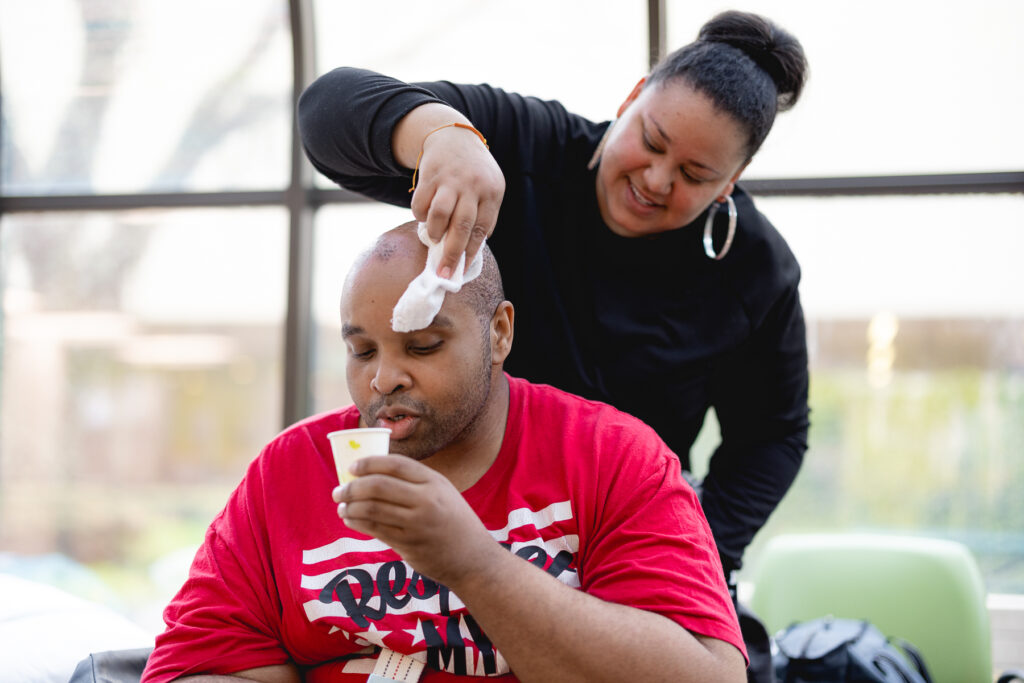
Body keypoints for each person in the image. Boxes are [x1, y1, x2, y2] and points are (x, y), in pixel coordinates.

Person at [296, 10, 810, 591]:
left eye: (696, 173)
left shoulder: (755, 270)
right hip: (463, 512)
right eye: (651, 141)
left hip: (623, 536)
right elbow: (325, 113)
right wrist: (444, 136)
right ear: (632, 98)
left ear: (733, 179)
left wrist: (698, 547)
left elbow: (772, 434)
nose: (657, 180)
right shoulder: (527, 147)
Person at [141, 223, 747, 682]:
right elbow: (201, 662)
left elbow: (710, 675)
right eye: (362, 351)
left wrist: (474, 565)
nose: (384, 380)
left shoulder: (611, 456)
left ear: (499, 334)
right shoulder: (290, 471)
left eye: (423, 346)